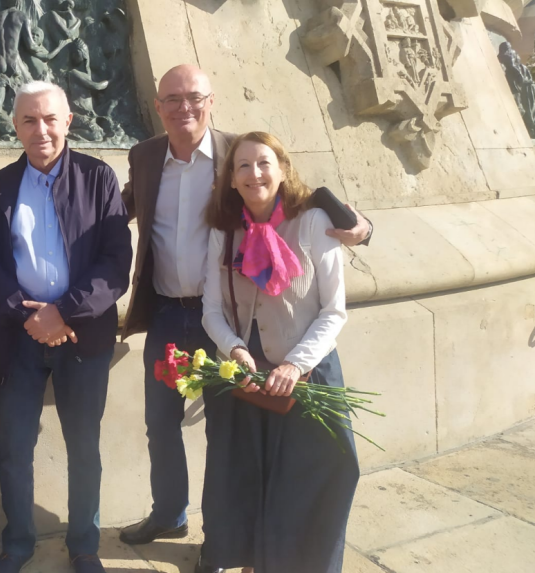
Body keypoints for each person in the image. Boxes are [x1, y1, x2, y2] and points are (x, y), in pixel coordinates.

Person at [117, 65, 372, 561]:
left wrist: (362, 226)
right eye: (171, 98)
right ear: (160, 104)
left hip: (239, 325)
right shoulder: (145, 155)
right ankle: (169, 511)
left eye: (193, 97)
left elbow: (304, 207)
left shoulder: (240, 153)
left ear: (211, 101)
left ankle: (224, 541)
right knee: (159, 421)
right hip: (173, 310)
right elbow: (120, 207)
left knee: (228, 434)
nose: (182, 107)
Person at [0, 81, 133, 573]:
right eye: (29, 120)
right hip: (16, 339)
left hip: (83, 336)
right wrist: (27, 314)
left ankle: (84, 545)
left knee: (85, 446)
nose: (41, 130)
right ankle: (16, 544)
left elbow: (115, 262)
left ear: (68, 121)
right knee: (14, 449)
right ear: (15, 126)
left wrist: (65, 312)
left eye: (49, 119)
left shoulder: (99, 178)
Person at [198, 131, 360, 573]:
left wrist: (296, 363)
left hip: (307, 370)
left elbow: (334, 311)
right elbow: (211, 309)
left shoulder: (314, 222)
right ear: (231, 179)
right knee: (250, 479)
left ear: (283, 169)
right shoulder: (223, 230)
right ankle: (253, 563)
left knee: (317, 476)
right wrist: (232, 348)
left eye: (264, 163)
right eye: (243, 166)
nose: (255, 174)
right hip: (247, 372)